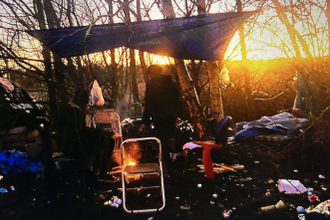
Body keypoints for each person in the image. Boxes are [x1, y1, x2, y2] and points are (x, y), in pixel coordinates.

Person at [56, 90, 116, 181]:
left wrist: (99, 132)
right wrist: (98, 133)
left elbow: (81, 130)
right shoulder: (74, 112)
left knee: (106, 140)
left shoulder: (72, 110)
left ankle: (100, 172)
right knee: (105, 142)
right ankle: (100, 172)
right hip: (74, 147)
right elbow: (77, 133)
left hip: (74, 144)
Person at [140, 65, 186, 176]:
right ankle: (171, 166)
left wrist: (145, 122)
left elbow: (149, 105)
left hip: (159, 118)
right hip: (170, 117)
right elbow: (178, 101)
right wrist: (180, 116)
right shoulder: (171, 84)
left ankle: (168, 168)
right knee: (169, 141)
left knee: (162, 142)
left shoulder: (152, 86)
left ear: (151, 74)